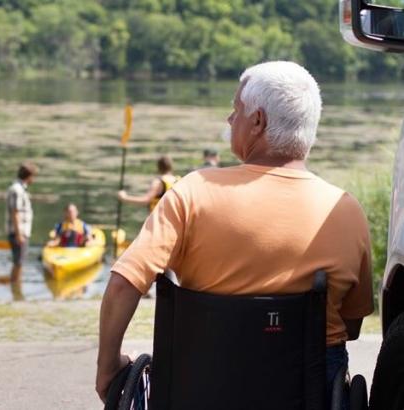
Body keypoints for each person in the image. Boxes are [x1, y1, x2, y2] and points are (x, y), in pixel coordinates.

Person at [96, 61, 374, 409]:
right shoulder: (345, 210)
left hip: (198, 390)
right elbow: (352, 325)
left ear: (258, 121)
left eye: (236, 109)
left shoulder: (193, 192)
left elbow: (124, 283)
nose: (230, 119)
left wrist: (107, 368)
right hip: (306, 393)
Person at [6, 162, 38, 285]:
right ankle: (15, 287)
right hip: (18, 233)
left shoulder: (20, 189)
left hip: (20, 232)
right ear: (28, 176)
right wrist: (19, 234)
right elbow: (15, 212)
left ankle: (16, 288)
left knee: (19, 262)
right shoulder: (17, 190)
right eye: (33, 176)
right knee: (18, 262)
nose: (33, 179)